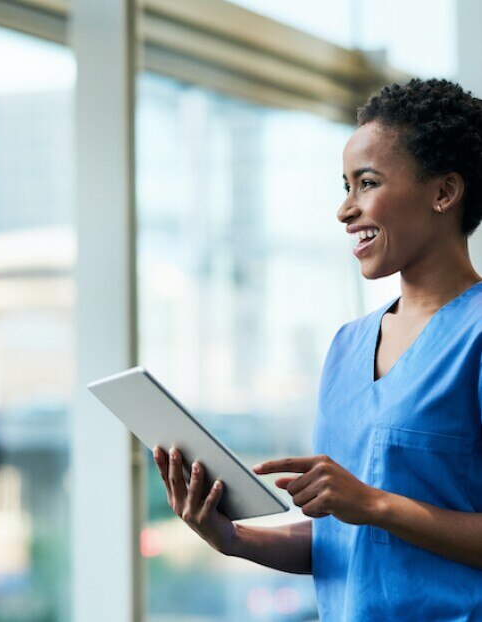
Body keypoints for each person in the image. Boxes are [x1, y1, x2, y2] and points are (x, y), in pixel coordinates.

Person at [153, 78, 482, 621]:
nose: (345, 210)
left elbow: (370, 512)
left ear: (444, 193)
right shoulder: (348, 346)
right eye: (345, 186)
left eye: (367, 183)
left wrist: (375, 504)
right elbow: (343, 543)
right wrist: (232, 538)